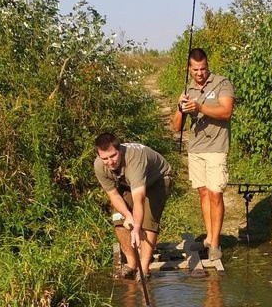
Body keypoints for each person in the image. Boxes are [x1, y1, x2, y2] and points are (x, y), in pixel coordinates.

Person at [170, 47, 234, 262]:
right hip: (196, 149)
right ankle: (209, 237)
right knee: (204, 193)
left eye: (203, 68)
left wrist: (200, 107)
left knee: (216, 193)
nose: (200, 73)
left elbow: (226, 112)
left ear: (208, 65)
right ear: (189, 69)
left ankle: (215, 244)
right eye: (196, 69)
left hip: (217, 148)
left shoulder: (222, 83)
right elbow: (176, 127)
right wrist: (181, 108)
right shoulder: (187, 90)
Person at [93, 133, 172, 278]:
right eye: (105, 158)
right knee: (118, 218)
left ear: (120, 150)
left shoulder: (135, 160)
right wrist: (128, 216)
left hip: (157, 180)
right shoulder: (99, 165)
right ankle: (131, 263)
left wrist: (136, 227)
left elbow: (139, 198)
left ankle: (144, 268)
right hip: (129, 183)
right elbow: (113, 195)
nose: (110, 162)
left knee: (148, 221)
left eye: (113, 156)